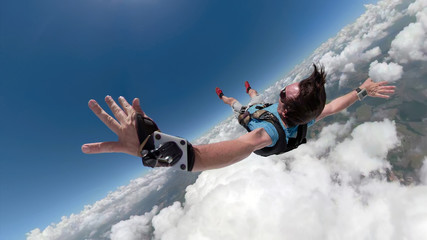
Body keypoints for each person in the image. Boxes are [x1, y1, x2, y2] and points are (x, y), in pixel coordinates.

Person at [81, 64, 395, 172]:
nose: (284, 90)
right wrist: (362, 91)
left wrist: (151, 148)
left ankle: (225, 96)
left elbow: (201, 158)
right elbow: (334, 106)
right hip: (266, 110)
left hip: (256, 118)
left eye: (285, 93)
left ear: (286, 109)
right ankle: (248, 90)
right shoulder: (308, 116)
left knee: (237, 105)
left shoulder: (264, 135)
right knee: (256, 96)